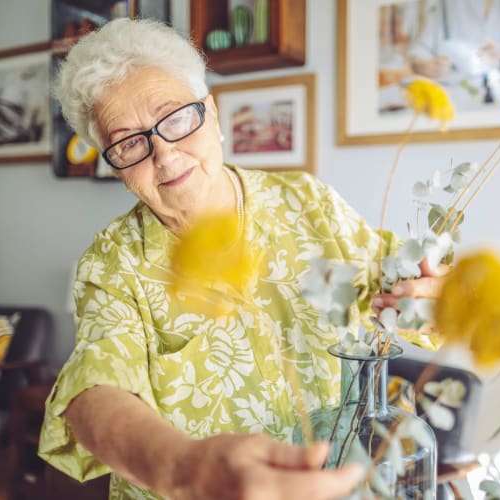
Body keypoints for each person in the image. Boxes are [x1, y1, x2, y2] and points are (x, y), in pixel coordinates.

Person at [38, 18, 446, 500]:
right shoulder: (113, 262)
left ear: (210, 113)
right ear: (113, 163)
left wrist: (431, 295)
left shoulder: (308, 202)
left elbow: (404, 290)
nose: (164, 157)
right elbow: (95, 393)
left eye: (174, 118)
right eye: (128, 142)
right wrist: (182, 467)